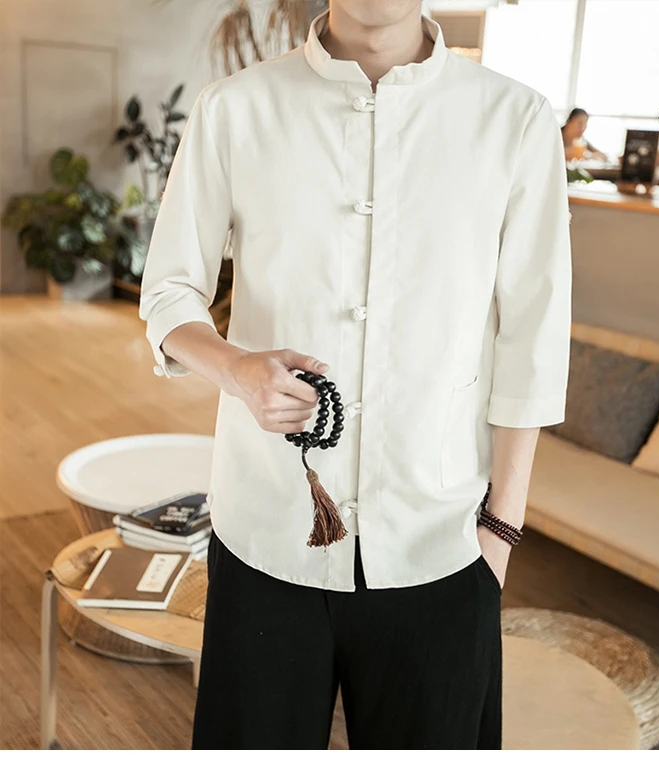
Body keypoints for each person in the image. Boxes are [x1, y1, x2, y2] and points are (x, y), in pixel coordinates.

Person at [139, 0, 571, 751]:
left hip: (442, 543)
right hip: (265, 533)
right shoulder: (234, 109)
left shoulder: (516, 120)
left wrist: (499, 532)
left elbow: (533, 335)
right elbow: (169, 292)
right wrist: (236, 369)